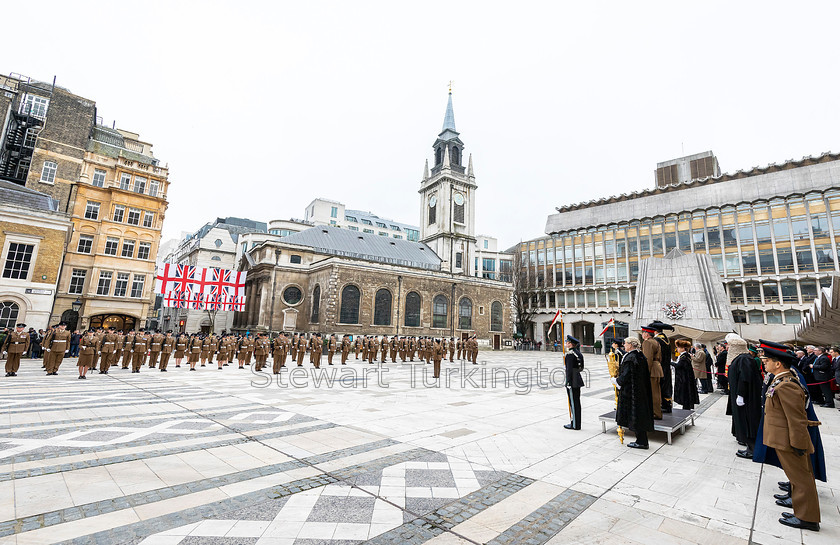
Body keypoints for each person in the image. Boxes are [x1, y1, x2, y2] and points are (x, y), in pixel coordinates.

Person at [756, 340, 821, 531]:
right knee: (797, 478)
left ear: (777, 364)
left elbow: (797, 419)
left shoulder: (787, 385)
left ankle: (807, 518)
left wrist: (799, 444)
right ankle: (800, 510)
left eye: (766, 360)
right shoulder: (781, 380)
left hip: (790, 440)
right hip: (783, 438)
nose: (764, 363)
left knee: (802, 479)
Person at [725, 336, 764, 458]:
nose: (727, 347)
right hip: (743, 396)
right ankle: (749, 446)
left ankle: (752, 450)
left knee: (748, 422)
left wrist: (741, 395)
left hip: (747, 398)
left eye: (729, 345)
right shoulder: (742, 358)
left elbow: (745, 378)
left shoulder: (743, 359)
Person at [613, 337, 655, 449]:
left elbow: (626, 375)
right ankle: (641, 440)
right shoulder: (639, 355)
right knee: (639, 416)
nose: (624, 345)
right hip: (640, 390)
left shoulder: (631, 357)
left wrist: (616, 381)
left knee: (636, 416)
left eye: (625, 343)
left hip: (633, 393)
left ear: (631, 345)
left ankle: (641, 442)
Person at [649, 321, 675, 414]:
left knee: (660, 386)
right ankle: (667, 405)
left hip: (659, 366)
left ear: (655, 331)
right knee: (666, 385)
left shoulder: (657, 340)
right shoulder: (665, 338)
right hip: (666, 366)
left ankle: (662, 405)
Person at [641, 325, 663, 419]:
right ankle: (657, 412)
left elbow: (647, 359)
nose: (642, 334)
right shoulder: (656, 342)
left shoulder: (647, 343)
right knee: (657, 392)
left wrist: (645, 372)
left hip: (651, 370)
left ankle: (655, 413)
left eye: (643, 332)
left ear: (646, 334)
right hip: (657, 368)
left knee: (653, 393)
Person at [563, 335, 585, 430]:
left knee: (573, 403)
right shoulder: (578, 353)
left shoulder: (570, 355)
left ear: (570, 344)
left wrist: (568, 382)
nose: (566, 344)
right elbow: (581, 368)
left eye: (567, 342)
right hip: (578, 379)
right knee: (576, 402)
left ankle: (575, 424)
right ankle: (576, 423)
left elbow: (569, 371)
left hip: (572, 381)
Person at [673, 340, 699, 410]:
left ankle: (686, 407)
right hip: (684, 378)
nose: (677, 349)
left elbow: (679, 365)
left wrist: (670, 362)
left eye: (678, 347)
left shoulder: (684, 356)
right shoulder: (684, 356)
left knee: (685, 393)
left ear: (683, 348)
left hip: (684, 379)